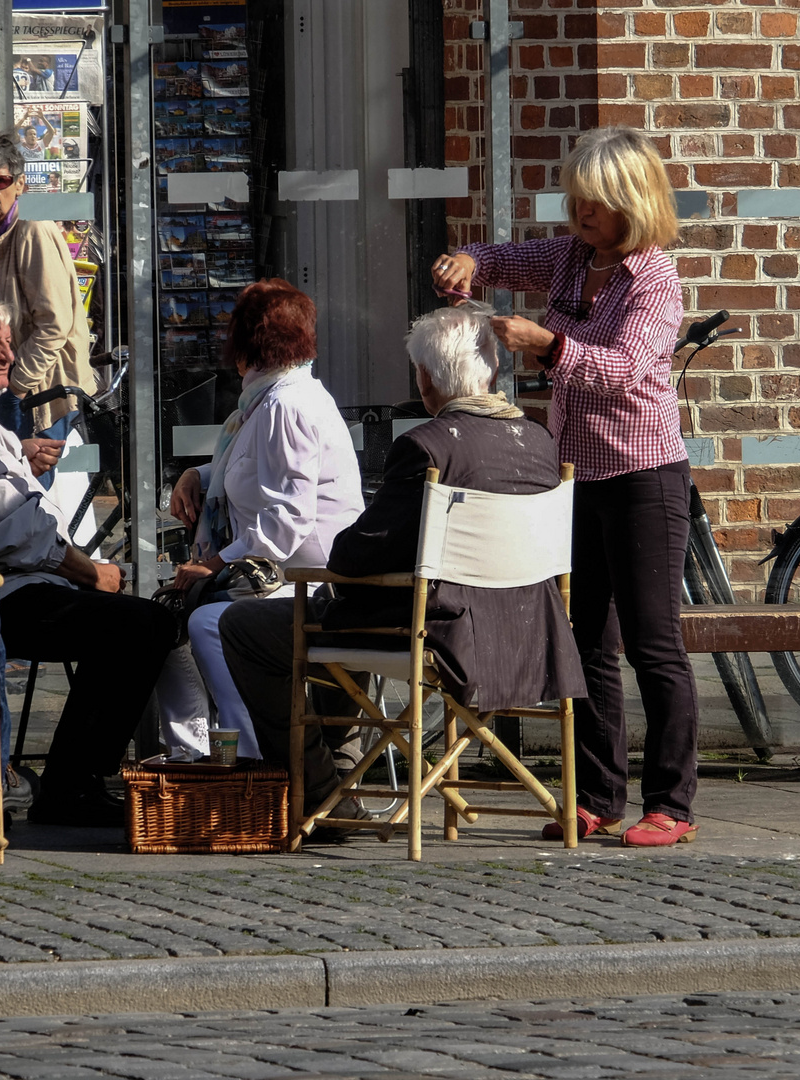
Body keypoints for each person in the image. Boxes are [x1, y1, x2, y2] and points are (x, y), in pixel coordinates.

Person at [433, 125, 696, 848]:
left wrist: (548, 345)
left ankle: (673, 802)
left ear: (633, 202)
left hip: (644, 478)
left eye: (596, 203)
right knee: (589, 644)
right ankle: (599, 796)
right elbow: (505, 257)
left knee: (653, 643)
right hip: (578, 479)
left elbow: (626, 370)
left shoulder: (654, 280)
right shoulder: (574, 258)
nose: (580, 214)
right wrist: (468, 259)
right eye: (576, 199)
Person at [219, 304, 585, 819]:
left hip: (442, 631)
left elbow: (355, 555)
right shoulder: (540, 442)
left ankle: (321, 791)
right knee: (339, 612)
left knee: (249, 626)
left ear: (428, 379)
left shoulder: (425, 446)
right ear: (493, 371)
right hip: (531, 629)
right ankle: (342, 773)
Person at [0, 289, 179, 827]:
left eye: (8, 342)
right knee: (144, 623)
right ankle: (73, 785)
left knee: (136, 620)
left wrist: (15, 451)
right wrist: (91, 570)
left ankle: (74, 780)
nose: (8, 355)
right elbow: (11, 525)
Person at [160, 280, 364, 760]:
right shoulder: (275, 400)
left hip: (305, 579)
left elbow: (289, 518)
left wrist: (214, 564)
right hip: (281, 572)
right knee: (166, 620)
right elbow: (255, 466)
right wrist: (198, 473)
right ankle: (197, 756)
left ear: (244, 344)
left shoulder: (283, 407)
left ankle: (253, 756)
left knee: (205, 623)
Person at [0, 133, 93, 463]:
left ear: (19, 184)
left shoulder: (32, 229)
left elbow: (54, 325)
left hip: (40, 395)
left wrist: (17, 388)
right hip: (8, 385)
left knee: (32, 495)